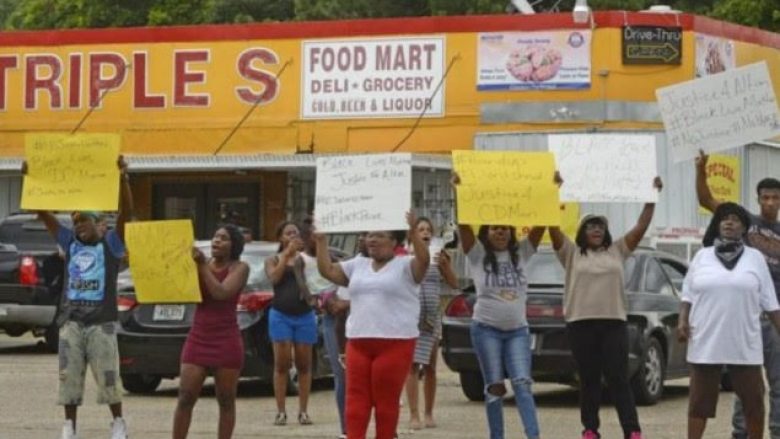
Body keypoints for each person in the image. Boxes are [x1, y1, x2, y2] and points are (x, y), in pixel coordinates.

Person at [548, 176, 662, 439]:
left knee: (618, 379)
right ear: (582, 231)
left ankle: (632, 430)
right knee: (588, 380)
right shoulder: (570, 252)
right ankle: (590, 429)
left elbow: (641, 226)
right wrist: (554, 192)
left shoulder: (617, 250)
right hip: (580, 324)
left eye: (600, 225)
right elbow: (552, 226)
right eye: (590, 225)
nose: (596, 229)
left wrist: (651, 198)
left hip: (613, 324)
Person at [31, 156, 133, 439]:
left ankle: (118, 422)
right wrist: (32, 181)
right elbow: (43, 213)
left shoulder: (111, 246)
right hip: (72, 321)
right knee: (69, 376)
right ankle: (70, 426)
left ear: (101, 224)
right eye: (75, 222)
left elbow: (127, 214)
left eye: (85, 220)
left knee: (108, 376)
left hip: (102, 323)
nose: (79, 226)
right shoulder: (70, 244)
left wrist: (124, 179)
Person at [314, 212, 429, 439]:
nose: (372, 240)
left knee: (385, 402)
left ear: (394, 241)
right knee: (356, 399)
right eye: (369, 235)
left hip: (395, 343)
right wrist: (321, 242)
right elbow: (327, 270)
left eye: (379, 235)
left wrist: (414, 231)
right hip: (358, 342)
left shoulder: (406, 266)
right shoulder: (357, 265)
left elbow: (423, 261)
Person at [451, 173, 544, 439]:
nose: (500, 231)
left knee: (523, 385)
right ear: (486, 232)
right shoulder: (478, 254)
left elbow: (542, 224)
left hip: (517, 331)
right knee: (494, 387)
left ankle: (533, 436)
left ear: (511, 232)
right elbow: (463, 226)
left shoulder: (522, 253)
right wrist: (460, 192)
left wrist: (552, 191)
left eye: (505, 227)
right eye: (494, 227)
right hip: (486, 330)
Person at [695, 151, 780, 439]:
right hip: (747, 317)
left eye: (775, 198)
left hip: (775, 314)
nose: (770, 202)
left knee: (779, 383)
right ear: (758, 200)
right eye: (765, 197)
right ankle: (741, 433)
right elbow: (707, 201)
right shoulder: (745, 223)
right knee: (747, 382)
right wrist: (701, 170)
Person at [171, 224, 249, 439]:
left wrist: (202, 266)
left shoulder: (240, 268)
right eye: (215, 237)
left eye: (223, 238)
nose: (216, 241)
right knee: (185, 397)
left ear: (234, 245)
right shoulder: (198, 265)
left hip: (226, 341)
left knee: (226, 400)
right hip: (198, 337)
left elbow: (221, 292)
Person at [404, 217, 458, 430]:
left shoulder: (438, 256)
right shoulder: (405, 257)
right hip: (410, 318)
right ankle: (413, 414)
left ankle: (428, 413)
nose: (425, 233)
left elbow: (454, 283)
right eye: (420, 229)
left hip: (431, 318)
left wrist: (445, 264)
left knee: (430, 367)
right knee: (412, 367)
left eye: (428, 230)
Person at [265, 221, 316, 426]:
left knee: (304, 365)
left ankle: (303, 411)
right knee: (281, 364)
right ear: (280, 238)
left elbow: (316, 281)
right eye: (288, 233)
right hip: (280, 315)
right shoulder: (273, 259)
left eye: (295, 233)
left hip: (304, 315)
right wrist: (286, 255)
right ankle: (281, 411)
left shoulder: (306, 261)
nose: (293, 236)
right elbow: (274, 279)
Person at [297, 224, 347, 439]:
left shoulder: (337, 258)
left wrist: (343, 301)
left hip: (351, 314)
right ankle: (347, 429)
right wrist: (318, 300)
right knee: (341, 374)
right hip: (330, 317)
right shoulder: (300, 260)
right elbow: (305, 289)